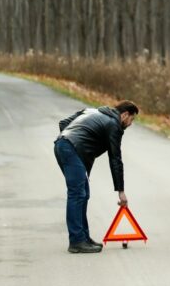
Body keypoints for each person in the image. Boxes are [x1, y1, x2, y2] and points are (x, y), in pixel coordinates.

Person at [54, 99, 139, 253]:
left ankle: (83, 237)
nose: (130, 124)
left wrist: (69, 142)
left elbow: (63, 123)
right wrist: (121, 191)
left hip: (64, 145)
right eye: (131, 119)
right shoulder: (114, 125)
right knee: (77, 194)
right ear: (125, 115)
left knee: (83, 194)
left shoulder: (92, 111)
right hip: (70, 149)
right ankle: (76, 241)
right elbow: (115, 159)